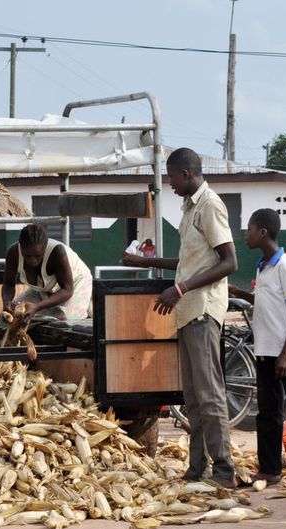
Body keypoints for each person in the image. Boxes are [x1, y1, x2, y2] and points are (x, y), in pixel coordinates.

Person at [122, 147, 238, 487]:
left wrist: (181, 289)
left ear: (186, 174)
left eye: (171, 177)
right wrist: (147, 264)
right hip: (188, 312)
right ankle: (197, 467)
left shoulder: (210, 205)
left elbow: (229, 262)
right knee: (193, 396)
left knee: (209, 394)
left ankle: (224, 471)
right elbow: (191, 262)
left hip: (202, 309)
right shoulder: (190, 208)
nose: (169, 184)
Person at [229, 209, 286, 484]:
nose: (245, 235)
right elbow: (268, 303)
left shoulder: (285, 265)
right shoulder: (263, 265)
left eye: (249, 229)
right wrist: (243, 295)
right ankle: (270, 469)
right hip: (264, 352)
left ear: (263, 232)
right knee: (268, 413)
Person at [0, 224, 92, 346]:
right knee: (8, 316)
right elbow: (9, 284)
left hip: (75, 283)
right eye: (28, 256)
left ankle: (86, 308)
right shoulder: (13, 253)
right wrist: (6, 302)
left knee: (65, 318)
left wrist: (37, 307)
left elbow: (67, 290)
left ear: (45, 248)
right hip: (43, 287)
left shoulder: (57, 251)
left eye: (37, 256)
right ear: (21, 247)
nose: (32, 260)